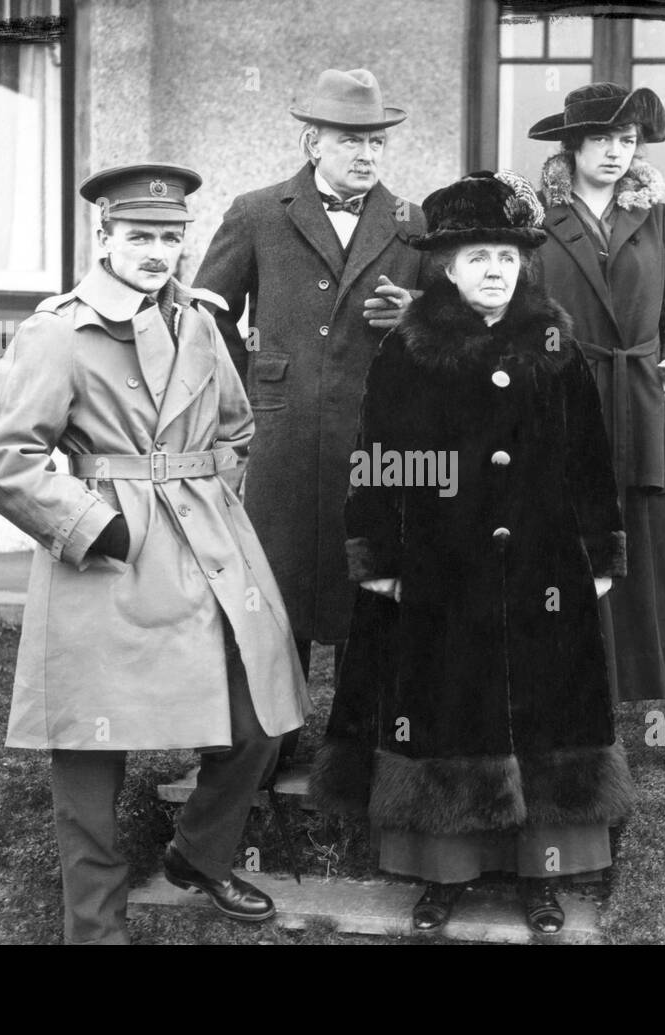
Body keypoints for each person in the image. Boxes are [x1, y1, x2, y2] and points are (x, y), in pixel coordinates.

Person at [0, 163, 311, 944]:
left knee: (262, 708)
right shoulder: (58, 330)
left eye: (170, 236)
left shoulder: (195, 320)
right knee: (91, 749)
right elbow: (4, 458)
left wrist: (212, 487)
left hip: (208, 540)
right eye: (139, 236)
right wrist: (96, 525)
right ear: (105, 237)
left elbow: (235, 423)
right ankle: (95, 929)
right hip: (106, 551)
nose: (157, 251)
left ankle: (200, 851)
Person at [309, 171, 634, 935]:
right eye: (478, 255)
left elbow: (589, 457)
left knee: (542, 712)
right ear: (447, 267)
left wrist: (599, 554)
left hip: (543, 571)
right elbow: (376, 459)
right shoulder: (409, 353)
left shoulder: (556, 347)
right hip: (439, 570)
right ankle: (443, 875)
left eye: (508, 256)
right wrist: (379, 555)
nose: (495, 269)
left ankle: (541, 878)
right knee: (445, 708)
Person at [191, 69, 425, 732]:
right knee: (274, 582)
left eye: (376, 141)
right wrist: (249, 387)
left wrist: (416, 311)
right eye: (351, 140)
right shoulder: (258, 212)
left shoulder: (413, 223)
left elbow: (456, 317)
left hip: (378, 440)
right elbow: (207, 314)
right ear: (311, 141)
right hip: (282, 434)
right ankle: (266, 740)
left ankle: (361, 744)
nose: (367, 154)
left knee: (371, 582)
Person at [528, 83, 665, 704]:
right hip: (566, 395)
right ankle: (569, 682)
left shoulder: (655, 217)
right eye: (602, 139)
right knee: (573, 532)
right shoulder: (535, 217)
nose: (616, 152)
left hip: (642, 396)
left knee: (645, 537)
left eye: (627, 141)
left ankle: (645, 676)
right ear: (573, 144)